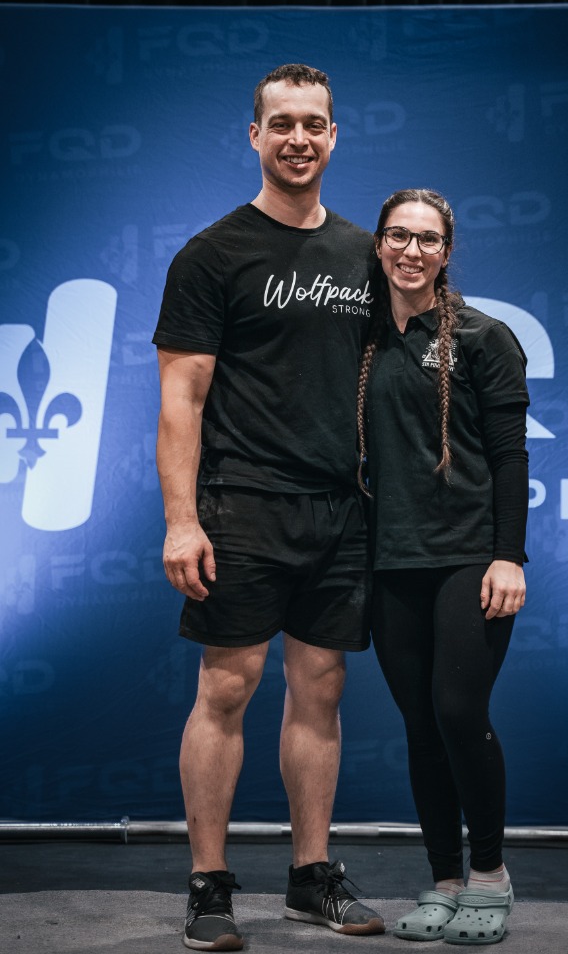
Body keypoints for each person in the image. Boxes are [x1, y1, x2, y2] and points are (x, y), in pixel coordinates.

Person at [152, 63, 385, 951]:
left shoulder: (366, 256)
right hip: (242, 504)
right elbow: (183, 398)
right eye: (281, 122)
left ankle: (310, 877)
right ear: (254, 136)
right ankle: (209, 884)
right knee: (228, 686)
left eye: (314, 124)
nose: (298, 138)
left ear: (334, 137)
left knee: (320, 691)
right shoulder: (213, 255)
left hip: (340, 512)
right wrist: (183, 518)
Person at [356, 188, 529, 945]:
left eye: (428, 239)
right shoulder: (358, 340)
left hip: (468, 559)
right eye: (398, 236)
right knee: (420, 726)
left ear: (447, 252)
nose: (411, 251)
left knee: (459, 713)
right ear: (379, 245)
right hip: (391, 561)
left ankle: (489, 874)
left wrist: (508, 556)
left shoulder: (486, 338)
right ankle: (444, 881)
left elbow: (511, 458)